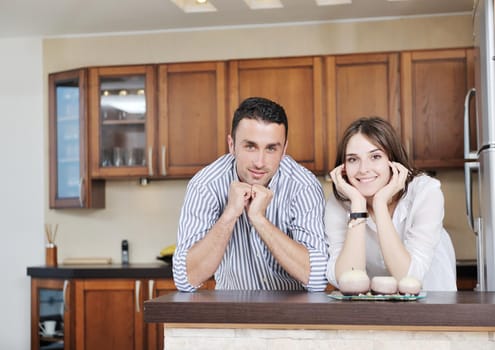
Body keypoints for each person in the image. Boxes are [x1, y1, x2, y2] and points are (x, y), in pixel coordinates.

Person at [172, 97, 328, 292]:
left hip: (294, 315)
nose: (260, 162)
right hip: (232, 311)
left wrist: (259, 219)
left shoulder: (303, 186)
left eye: (271, 148)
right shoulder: (205, 185)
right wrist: (229, 214)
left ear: (284, 150)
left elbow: (318, 278)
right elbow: (185, 279)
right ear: (232, 145)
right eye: (250, 146)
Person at [325, 116, 457, 291]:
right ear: (343, 168)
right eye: (352, 159)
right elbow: (347, 280)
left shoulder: (425, 192)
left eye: (375, 156)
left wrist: (379, 204)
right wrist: (358, 205)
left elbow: (409, 278)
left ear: (393, 160)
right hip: (383, 311)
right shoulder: (340, 203)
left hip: (435, 302)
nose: (363, 169)